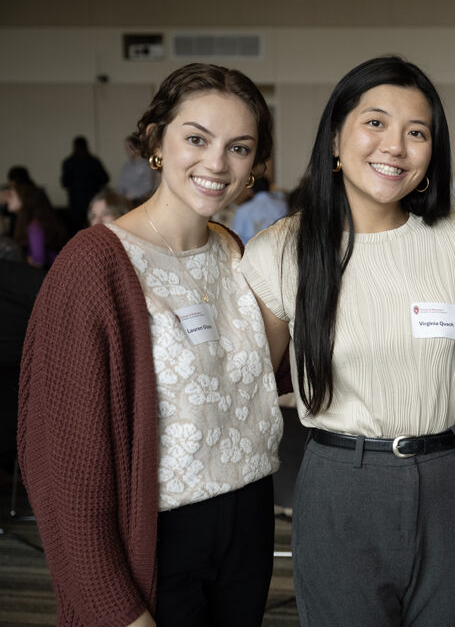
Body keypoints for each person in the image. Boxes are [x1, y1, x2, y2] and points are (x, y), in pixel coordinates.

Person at [18, 63, 283, 627]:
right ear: (155, 141)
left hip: (249, 525)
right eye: (196, 139)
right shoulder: (94, 266)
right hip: (159, 540)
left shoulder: (235, 252)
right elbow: (60, 468)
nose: (216, 163)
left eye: (239, 147)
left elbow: (251, 386)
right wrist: (113, 606)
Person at [241, 56, 455, 626]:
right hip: (341, 484)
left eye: (416, 132)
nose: (394, 146)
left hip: (450, 482)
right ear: (335, 142)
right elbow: (247, 387)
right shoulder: (281, 250)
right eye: (375, 123)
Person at [8, 179, 68, 267]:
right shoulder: (25, 222)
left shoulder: (34, 227)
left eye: (12, 196)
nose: (8, 199)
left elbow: (38, 262)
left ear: (23, 200)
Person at [61, 135, 109, 231]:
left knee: (76, 231)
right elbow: (105, 179)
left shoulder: (68, 162)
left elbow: (64, 183)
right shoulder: (94, 161)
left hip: (75, 202)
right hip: (92, 199)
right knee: (94, 229)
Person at [232, 175, 287, 243]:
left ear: (251, 190)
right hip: (278, 247)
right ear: (269, 187)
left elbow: (236, 236)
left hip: (250, 250)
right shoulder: (282, 205)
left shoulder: (244, 209)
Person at [116, 136, 157, 203]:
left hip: (139, 201)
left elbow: (147, 187)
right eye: (125, 148)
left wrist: (130, 196)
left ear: (137, 148)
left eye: (129, 147)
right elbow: (121, 184)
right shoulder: (127, 165)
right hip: (124, 200)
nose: (126, 150)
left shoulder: (146, 165)